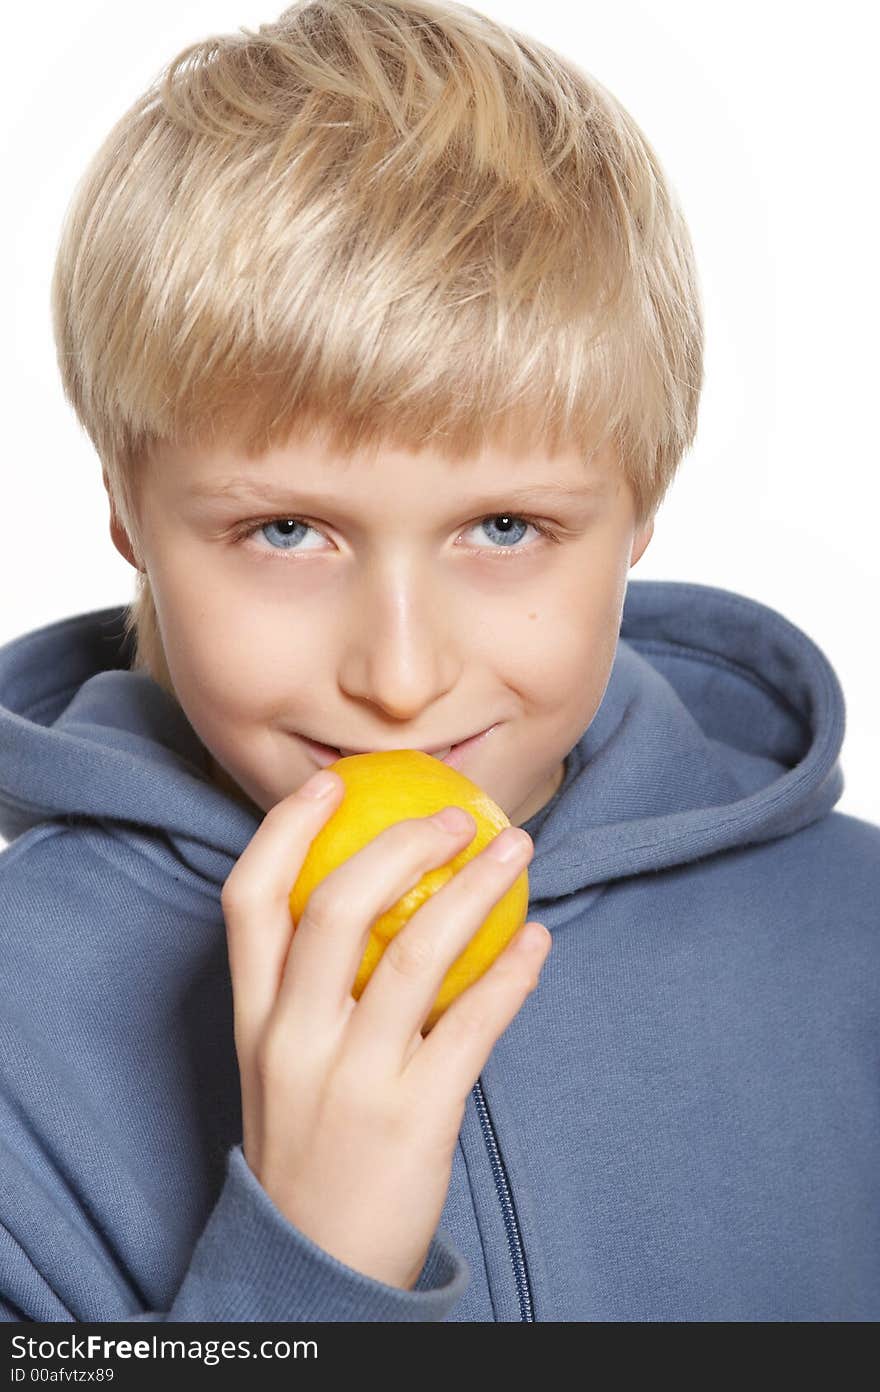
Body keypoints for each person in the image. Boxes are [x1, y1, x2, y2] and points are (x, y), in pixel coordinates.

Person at [0, 0, 876, 1323]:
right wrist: (308, 1268)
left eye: (506, 527)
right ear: (125, 503)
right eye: (285, 529)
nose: (401, 682)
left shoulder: (854, 938)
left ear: (643, 503)